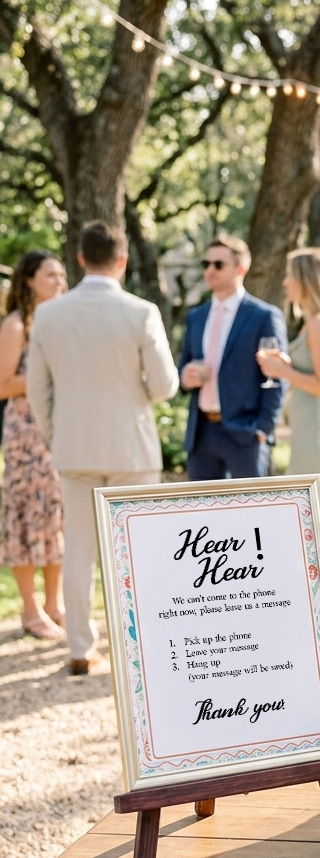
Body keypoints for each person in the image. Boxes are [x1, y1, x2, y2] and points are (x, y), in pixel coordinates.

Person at [27, 222, 178, 674]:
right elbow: (166, 386)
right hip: (132, 448)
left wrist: (59, 435)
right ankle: (143, 646)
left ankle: (80, 648)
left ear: (79, 259)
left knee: (78, 548)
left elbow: (37, 390)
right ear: (122, 260)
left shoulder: (49, 315)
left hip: (75, 448)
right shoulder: (141, 312)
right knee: (139, 549)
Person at [257, 247, 320, 581]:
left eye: (290, 275)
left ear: (305, 280)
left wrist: (281, 371)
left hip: (317, 432)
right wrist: (288, 365)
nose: (285, 282)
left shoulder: (318, 324)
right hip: (315, 431)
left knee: (317, 517)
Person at [179, 234, 288, 480]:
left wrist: (263, 428)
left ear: (241, 268)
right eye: (205, 264)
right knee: (202, 516)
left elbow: (278, 376)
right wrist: (185, 378)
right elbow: (183, 366)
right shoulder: (195, 317)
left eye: (218, 264)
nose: (210, 270)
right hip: (201, 435)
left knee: (249, 517)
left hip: (245, 435)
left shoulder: (264, 316)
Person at [0, 250, 67, 640]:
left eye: (62, 275)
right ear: (29, 280)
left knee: (55, 515)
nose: (60, 282)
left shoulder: (60, 321)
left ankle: (55, 604)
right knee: (26, 515)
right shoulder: (15, 325)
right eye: (51, 275)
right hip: (26, 432)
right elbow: (3, 384)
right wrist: (46, 374)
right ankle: (30, 609)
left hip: (58, 429)